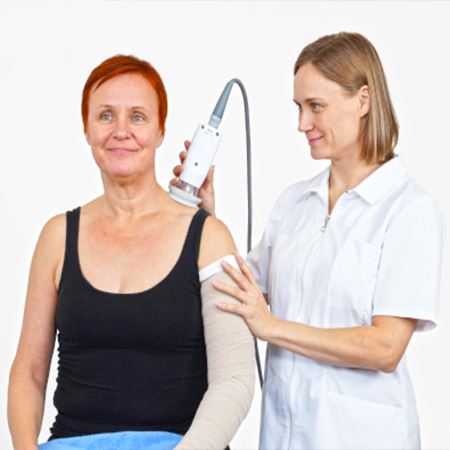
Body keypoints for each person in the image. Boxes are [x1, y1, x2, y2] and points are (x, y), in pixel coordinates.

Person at [173, 32, 444, 449]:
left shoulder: (408, 209)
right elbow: (239, 288)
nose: (302, 124)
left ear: (363, 100)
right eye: (299, 107)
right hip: (284, 436)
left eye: (316, 106)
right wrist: (208, 217)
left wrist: (273, 327)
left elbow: (386, 346)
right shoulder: (296, 203)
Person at [8, 54, 255, 450]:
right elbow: (29, 373)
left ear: (161, 131)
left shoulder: (208, 236)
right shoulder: (57, 237)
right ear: (86, 129)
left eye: (137, 117)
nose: (121, 131)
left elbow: (235, 380)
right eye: (105, 116)